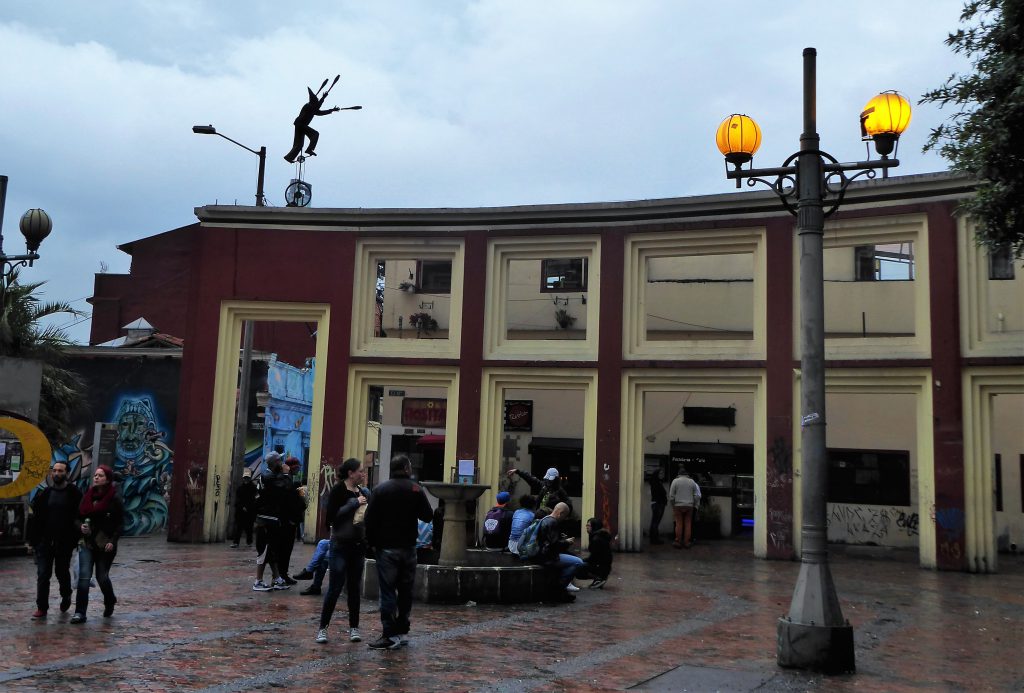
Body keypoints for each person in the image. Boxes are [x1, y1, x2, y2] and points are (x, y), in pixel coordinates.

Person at [363, 454, 433, 650]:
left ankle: (389, 634)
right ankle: (402, 630)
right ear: (406, 468)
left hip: (386, 548)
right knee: (405, 591)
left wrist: (371, 544)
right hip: (409, 548)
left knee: (387, 591)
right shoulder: (415, 489)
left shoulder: (380, 490)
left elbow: (369, 520)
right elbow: (427, 516)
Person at [316, 457, 370, 644]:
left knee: (354, 588)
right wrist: (354, 503)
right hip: (340, 544)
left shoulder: (363, 491)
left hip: (358, 545)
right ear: (351, 473)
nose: (363, 474)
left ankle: (354, 628)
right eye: (360, 471)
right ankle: (323, 629)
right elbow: (331, 518)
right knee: (335, 587)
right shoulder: (338, 491)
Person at [29, 460, 83, 619]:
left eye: (60, 471)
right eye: (55, 470)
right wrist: (33, 542)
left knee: (61, 573)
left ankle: (66, 595)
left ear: (67, 473)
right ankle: (42, 607)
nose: (57, 474)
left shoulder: (74, 493)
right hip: (45, 542)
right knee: (43, 574)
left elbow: (79, 516)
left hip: (64, 543)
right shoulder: (44, 493)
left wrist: (76, 539)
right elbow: (35, 519)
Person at [70, 465, 124, 623]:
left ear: (107, 479)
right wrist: (80, 526)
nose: (96, 478)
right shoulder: (88, 496)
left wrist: (112, 541)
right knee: (84, 577)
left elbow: (120, 523)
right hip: (87, 543)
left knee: (102, 577)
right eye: (95, 475)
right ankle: (80, 612)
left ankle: (109, 599)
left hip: (105, 544)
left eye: (100, 476)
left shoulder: (114, 498)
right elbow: (77, 517)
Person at [252, 452, 293, 591]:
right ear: (273, 463)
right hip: (266, 519)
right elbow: (285, 488)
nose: (282, 463)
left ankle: (276, 578)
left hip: (272, 518)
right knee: (264, 550)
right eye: (280, 461)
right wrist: (287, 474)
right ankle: (258, 581)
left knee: (272, 550)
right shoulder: (269, 477)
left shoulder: (270, 476)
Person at [533, 502, 582, 602]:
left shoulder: (544, 519)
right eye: (564, 516)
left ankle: (558, 589)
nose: (564, 519)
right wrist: (566, 542)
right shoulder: (553, 522)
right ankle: (558, 589)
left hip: (540, 554)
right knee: (578, 562)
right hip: (548, 557)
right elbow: (554, 544)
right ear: (560, 513)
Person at [283, 84, 342, 163]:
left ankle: (289, 157)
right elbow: (317, 108)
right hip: (301, 125)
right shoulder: (308, 106)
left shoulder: (312, 108)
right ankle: (310, 149)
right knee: (315, 134)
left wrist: (332, 109)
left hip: (299, 125)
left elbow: (320, 112)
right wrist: (323, 98)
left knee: (299, 144)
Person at [668, 467, 701, 549]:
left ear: (679, 474)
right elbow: (697, 495)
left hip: (678, 505)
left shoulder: (675, 481)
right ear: (687, 474)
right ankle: (686, 542)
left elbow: (671, 496)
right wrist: (694, 504)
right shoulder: (692, 482)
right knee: (688, 524)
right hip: (689, 505)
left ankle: (678, 541)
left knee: (679, 523)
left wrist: (673, 505)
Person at [576, 517, 613, 589]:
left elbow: (594, 558)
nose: (586, 527)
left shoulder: (597, 539)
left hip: (601, 567)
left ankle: (599, 577)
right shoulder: (599, 536)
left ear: (594, 526)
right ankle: (599, 577)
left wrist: (581, 561)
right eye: (586, 525)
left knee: (577, 567)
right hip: (603, 567)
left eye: (588, 525)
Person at [230, 468, 257, 548]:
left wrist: (248, 507)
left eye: (247, 478)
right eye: (245, 478)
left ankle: (249, 542)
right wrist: (242, 507)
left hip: (250, 511)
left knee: (249, 528)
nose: (246, 479)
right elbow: (238, 499)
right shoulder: (240, 488)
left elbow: (255, 499)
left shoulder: (253, 488)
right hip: (241, 511)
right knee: (238, 528)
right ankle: (236, 542)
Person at [648, 470, 667, 545]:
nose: (662, 475)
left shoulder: (655, 482)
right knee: (655, 522)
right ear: (657, 474)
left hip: (657, 503)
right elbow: (661, 493)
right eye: (661, 473)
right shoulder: (656, 483)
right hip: (658, 504)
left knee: (655, 522)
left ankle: (654, 538)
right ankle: (654, 539)